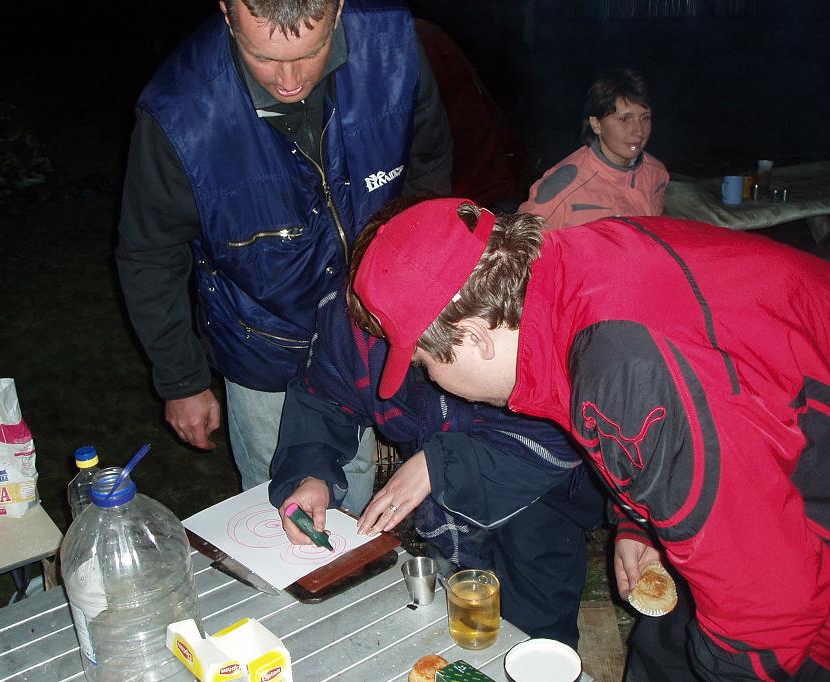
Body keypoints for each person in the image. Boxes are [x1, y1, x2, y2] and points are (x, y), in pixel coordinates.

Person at [347, 197, 830, 681]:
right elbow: (685, 441)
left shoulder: (627, 373)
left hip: (804, 514)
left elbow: (766, 612)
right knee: (668, 649)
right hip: (760, 491)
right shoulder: (569, 276)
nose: (431, 380)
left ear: (474, 337)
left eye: (424, 364)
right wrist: (639, 522)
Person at [115, 0, 452, 514]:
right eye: (264, 58)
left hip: (369, 325)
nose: (289, 81)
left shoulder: (392, 47)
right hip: (261, 342)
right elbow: (149, 255)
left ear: (337, 10)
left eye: (310, 54)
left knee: (354, 481)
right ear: (228, 14)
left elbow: (428, 163)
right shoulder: (179, 114)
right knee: (280, 503)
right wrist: (182, 380)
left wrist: (416, 283)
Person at [266, 272, 604, 647]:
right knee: (453, 615)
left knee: (536, 632)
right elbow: (323, 399)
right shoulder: (350, 310)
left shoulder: (520, 308)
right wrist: (310, 473)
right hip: (439, 482)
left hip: (535, 491)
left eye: (419, 357)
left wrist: (438, 464)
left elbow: (559, 429)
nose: (414, 364)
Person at [518, 68, 669, 230]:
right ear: (596, 124)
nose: (638, 131)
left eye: (645, 118)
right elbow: (521, 241)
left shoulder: (657, 173)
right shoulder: (563, 188)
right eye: (624, 119)